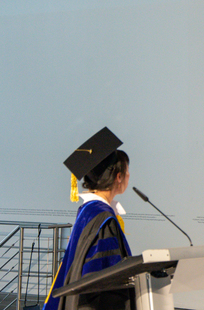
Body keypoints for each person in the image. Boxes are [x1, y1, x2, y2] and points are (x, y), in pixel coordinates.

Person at [44, 127, 135, 310]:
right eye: (127, 172)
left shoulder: (88, 210)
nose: (129, 176)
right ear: (118, 177)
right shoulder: (103, 219)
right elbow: (104, 279)